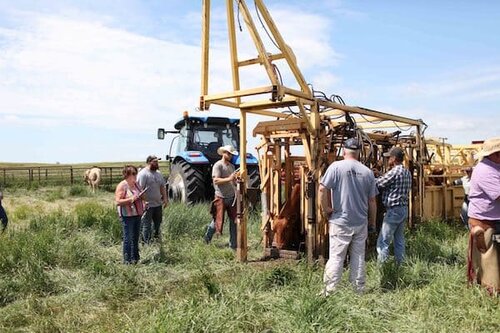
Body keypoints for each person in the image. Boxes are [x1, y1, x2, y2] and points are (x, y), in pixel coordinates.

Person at [319, 138, 378, 295]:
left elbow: (321, 189)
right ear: (359, 153)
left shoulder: (336, 167)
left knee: (337, 257)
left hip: (340, 222)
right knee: (358, 257)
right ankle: (358, 292)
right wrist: (371, 222)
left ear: (344, 150)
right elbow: (372, 201)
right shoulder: (368, 172)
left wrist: (326, 209)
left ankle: (330, 292)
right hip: (360, 222)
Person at [466, 137, 500, 290]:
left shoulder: (493, 167)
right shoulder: (486, 171)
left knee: (488, 257)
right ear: (496, 154)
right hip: (485, 221)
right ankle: (490, 292)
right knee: (488, 258)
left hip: (489, 219)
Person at [375, 147, 412, 264]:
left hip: (393, 210)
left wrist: (368, 175)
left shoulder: (394, 172)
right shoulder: (406, 172)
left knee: (383, 241)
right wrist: (381, 174)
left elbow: (379, 183)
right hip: (403, 209)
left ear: (394, 158)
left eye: (389, 157)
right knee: (399, 240)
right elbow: (392, 181)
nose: (388, 160)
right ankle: (399, 265)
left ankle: (383, 269)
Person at [204, 145, 238, 249]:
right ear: (223, 153)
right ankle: (207, 238)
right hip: (221, 197)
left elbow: (233, 181)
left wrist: (236, 180)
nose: (230, 155)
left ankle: (233, 246)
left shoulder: (231, 167)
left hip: (232, 197)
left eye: (231, 154)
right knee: (217, 221)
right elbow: (216, 180)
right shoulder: (218, 165)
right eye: (228, 153)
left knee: (234, 221)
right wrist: (230, 178)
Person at [115, 165, 145, 264]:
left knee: (136, 237)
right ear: (127, 175)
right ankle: (127, 260)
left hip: (137, 214)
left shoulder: (136, 184)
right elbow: (118, 201)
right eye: (133, 173)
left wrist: (143, 198)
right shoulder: (122, 185)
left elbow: (142, 195)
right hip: (127, 216)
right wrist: (131, 199)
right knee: (128, 238)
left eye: (135, 173)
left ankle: (135, 258)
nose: (135, 175)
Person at [137, 155, 168, 243]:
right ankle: (146, 244)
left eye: (157, 162)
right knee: (146, 225)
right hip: (148, 205)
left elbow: (162, 187)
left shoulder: (158, 173)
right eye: (155, 162)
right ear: (149, 162)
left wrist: (165, 199)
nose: (157, 163)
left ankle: (157, 241)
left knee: (158, 224)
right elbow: (140, 190)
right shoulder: (143, 174)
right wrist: (143, 202)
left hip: (158, 204)